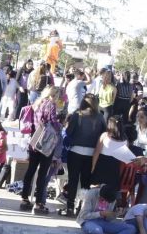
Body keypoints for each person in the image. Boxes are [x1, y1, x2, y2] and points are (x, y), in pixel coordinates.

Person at [61, 94, 106, 217]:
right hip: (91, 154)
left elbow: (69, 132)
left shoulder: (77, 115)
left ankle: (70, 207)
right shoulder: (100, 117)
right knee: (85, 182)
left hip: (75, 151)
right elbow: (104, 134)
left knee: (73, 180)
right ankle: (81, 207)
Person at [20, 86, 62, 215]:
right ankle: (39, 203)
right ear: (54, 95)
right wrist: (60, 126)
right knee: (42, 173)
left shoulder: (37, 103)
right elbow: (53, 122)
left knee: (31, 170)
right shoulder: (51, 105)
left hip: (35, 140)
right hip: (45, 143)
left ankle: (25, 198)